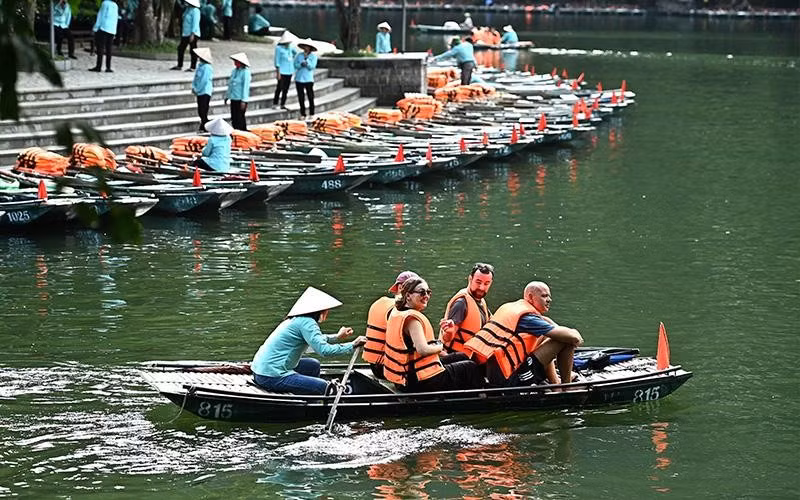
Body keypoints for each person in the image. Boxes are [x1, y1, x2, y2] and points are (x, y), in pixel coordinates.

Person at [464, 281, 584, 388]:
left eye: (549, 296)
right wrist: (576, 336)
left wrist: (548, 321)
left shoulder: (512, 307)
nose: (549, 300)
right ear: (531, 297)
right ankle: (567, 387)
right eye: (544, 296)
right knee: (565, 340)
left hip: (492, 373)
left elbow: (553, 332)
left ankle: (555, 383)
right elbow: (573, 337)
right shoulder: (528, 319)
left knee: (552, 336)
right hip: (507, 380)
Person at [251, 286, 367, 395]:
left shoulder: (296, 320)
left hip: (261, 371)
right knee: (323, 386)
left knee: (313, 365)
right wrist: (352, 345)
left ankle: (304, 391)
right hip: (271, 376)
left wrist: (337, 337)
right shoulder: (308, 323)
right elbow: (325, 351)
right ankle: (314, 404)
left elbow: (316, 340)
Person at [382, 276, 484, 392]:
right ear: (408, 295)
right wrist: (439, 346)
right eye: (421, 292)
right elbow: (422, 350)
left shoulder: (398, 312)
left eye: (428, 292)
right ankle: (480, 398)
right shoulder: (412, 320)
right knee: (469, 367)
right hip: (417, 381)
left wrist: (440, 350)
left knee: (461, 357)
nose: (426, 296)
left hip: (405, 377)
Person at [362, 270, 418, 379]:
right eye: (417, 290)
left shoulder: (380, 302)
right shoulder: (398, 310)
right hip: (389, 369)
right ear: (402, 288)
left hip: (374, 366)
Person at [440, 263, 494, 356]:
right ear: (470, 279)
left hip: (473, 356)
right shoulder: (461, 304)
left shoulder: (481, 302)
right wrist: (448, 332)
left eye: (486, 284)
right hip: (456, 357)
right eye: (478, 282)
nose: (481, 287)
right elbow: (447, 338)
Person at [89, 0, 119, 72]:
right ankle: (108, 67)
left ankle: (98, 66)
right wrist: (114, 31)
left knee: (100, 48)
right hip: (112, 29)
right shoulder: (115, 5)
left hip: (104, 28)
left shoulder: (105, 3)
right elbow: (115, 19)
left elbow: (100, 17)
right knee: (109, 49)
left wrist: (95, 28)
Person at [224, 52, 251, 130]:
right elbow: (230, 85)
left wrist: (244, 100)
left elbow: (246, 87)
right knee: (234, 118)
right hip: (233, 98)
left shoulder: (246, 72)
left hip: (240, 99)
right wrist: (227, 96)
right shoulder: (234, 71)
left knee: (240, 118)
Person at [172, 0, 201, 71]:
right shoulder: (187, 9)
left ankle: (193, 67)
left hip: (192, 33)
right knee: (181, 48)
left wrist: (193, 34)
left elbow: (195, 23)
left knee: (193, 50)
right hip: (185, 33)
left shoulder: (195, 11)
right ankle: (179, 65)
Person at [294, 39, 318, 119]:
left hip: (308, 79)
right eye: (305, 46)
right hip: (299, 78)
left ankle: (312, 113)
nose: (306, 48)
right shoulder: (299, 55)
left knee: (310, 96)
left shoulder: (313, 57)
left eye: (307, 46)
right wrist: (301, 64)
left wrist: (307, 62)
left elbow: (312, 67)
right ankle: (303, 113)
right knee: (301, 97)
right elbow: (295, 65)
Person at [272, 31, 296, 110]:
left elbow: (295, 52)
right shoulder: (279, 48)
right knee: (279, 87)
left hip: (289, 70)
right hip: (282, 71)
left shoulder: (290, 48)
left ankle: (283, 103)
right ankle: (275, 103)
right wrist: (278, 72)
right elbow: (277, 61)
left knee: (286, 88)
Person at [191, 47, 213, 130]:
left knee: (203, 109)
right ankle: (204, 123)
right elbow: (196, 78)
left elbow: (204, 80)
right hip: (199, 91)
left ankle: (205, 124)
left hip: (205, 91)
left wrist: (197, 89)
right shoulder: (200, 66)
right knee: (200, 109)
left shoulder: (207, 67)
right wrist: (194, 87)